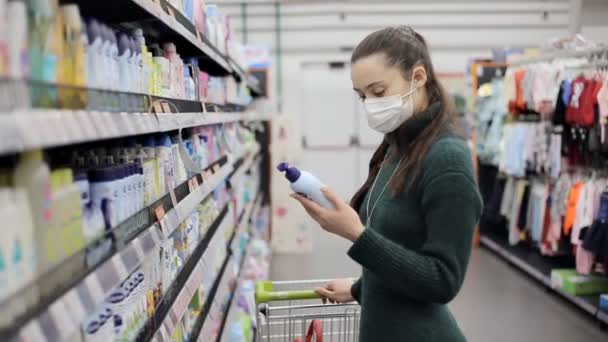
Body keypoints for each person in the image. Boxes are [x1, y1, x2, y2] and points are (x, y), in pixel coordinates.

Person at [290, 26, 483, 341]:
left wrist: (355, 232)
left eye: (378, 92)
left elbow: (442, 280)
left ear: (418, 77)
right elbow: (400, 248)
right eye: (362, 95)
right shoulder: (396, 147)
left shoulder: (448, 160)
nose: (369, 104)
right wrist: (359, 289)